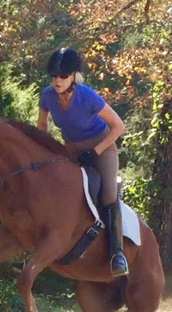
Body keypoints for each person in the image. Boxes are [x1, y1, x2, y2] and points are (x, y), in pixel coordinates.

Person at [37, 48, 129, 277]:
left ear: (73, 76)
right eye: (54, 76)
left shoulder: (87, 96)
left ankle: (117, 254)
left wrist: (96, 152)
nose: (57, 81)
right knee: (54, 189)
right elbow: (42, 127)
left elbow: (118, 126)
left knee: (108, 194)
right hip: (71, 148)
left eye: (63, 76)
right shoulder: (47, 96)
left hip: (102, 146)